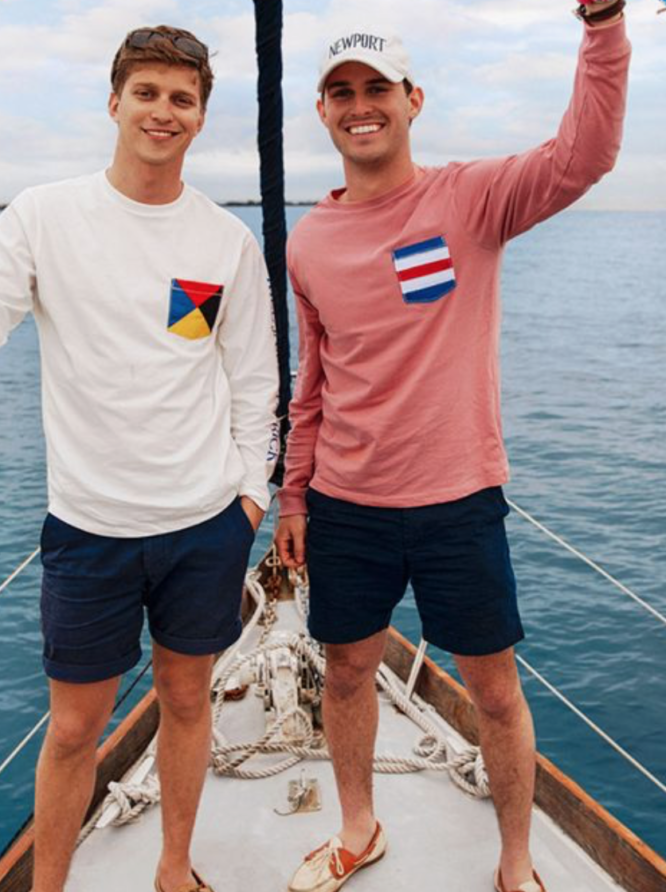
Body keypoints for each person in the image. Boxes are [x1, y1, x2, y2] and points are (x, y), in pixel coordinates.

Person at [0, 25, 278, 892]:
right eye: (146, 93)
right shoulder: (45, 216)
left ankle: (174, 869)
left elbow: (256, 385)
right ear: (114, 103)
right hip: (88, 530)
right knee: (74, 730)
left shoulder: (225, 242)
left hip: (204, 529)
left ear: (200, 117)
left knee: (186, 700)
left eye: (182, 98)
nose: (162, 111)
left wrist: (248, 503)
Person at [274, 3, 630, 892]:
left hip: (458, 502)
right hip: (347, 504)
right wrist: (294, 496)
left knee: (496, 693)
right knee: (347, 675)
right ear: (322, 111)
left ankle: (515, 864)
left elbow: (584, 155)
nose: (361, 105)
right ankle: (359, 829)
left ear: (413, 99)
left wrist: (603, 24)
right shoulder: (308, 241)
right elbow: (312, 382)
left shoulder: (470, 199)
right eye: (342, 92)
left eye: (378, 88)